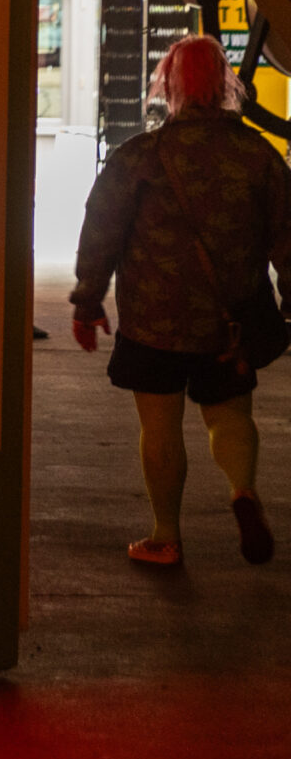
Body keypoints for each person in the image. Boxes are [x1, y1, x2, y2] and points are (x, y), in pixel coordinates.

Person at [72, 34, 289, 569]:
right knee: (229, 415)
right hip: (228, 321)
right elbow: (289, 235)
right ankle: (242, 490)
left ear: (167, 86)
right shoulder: (258, 154)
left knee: (160, 425)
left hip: (154, 321)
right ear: (226, 85)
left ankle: (165, 536)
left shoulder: (140, 156)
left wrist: (88, 300)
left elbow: (101, 231)